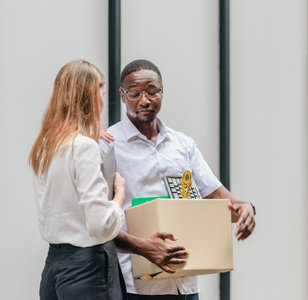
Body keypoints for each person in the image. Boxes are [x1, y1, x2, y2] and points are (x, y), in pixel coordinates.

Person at [99, 59, 256, 300]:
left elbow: (214, 195)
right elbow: (98, 215)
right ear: (122, 95)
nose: (144, 100)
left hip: (186, 279)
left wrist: (245, 207)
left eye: (152, 91)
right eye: (134, 93)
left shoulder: (183, 144)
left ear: (162, 92)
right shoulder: (108, 145)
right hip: (136, 284)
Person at [29, 60, 127, 300]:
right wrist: (118, 197)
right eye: (101, 92)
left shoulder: (44, 146)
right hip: (88, 269)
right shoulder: (83, 147)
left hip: (54, 267)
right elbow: (99, 224)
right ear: (91, 97)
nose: (104, 99)